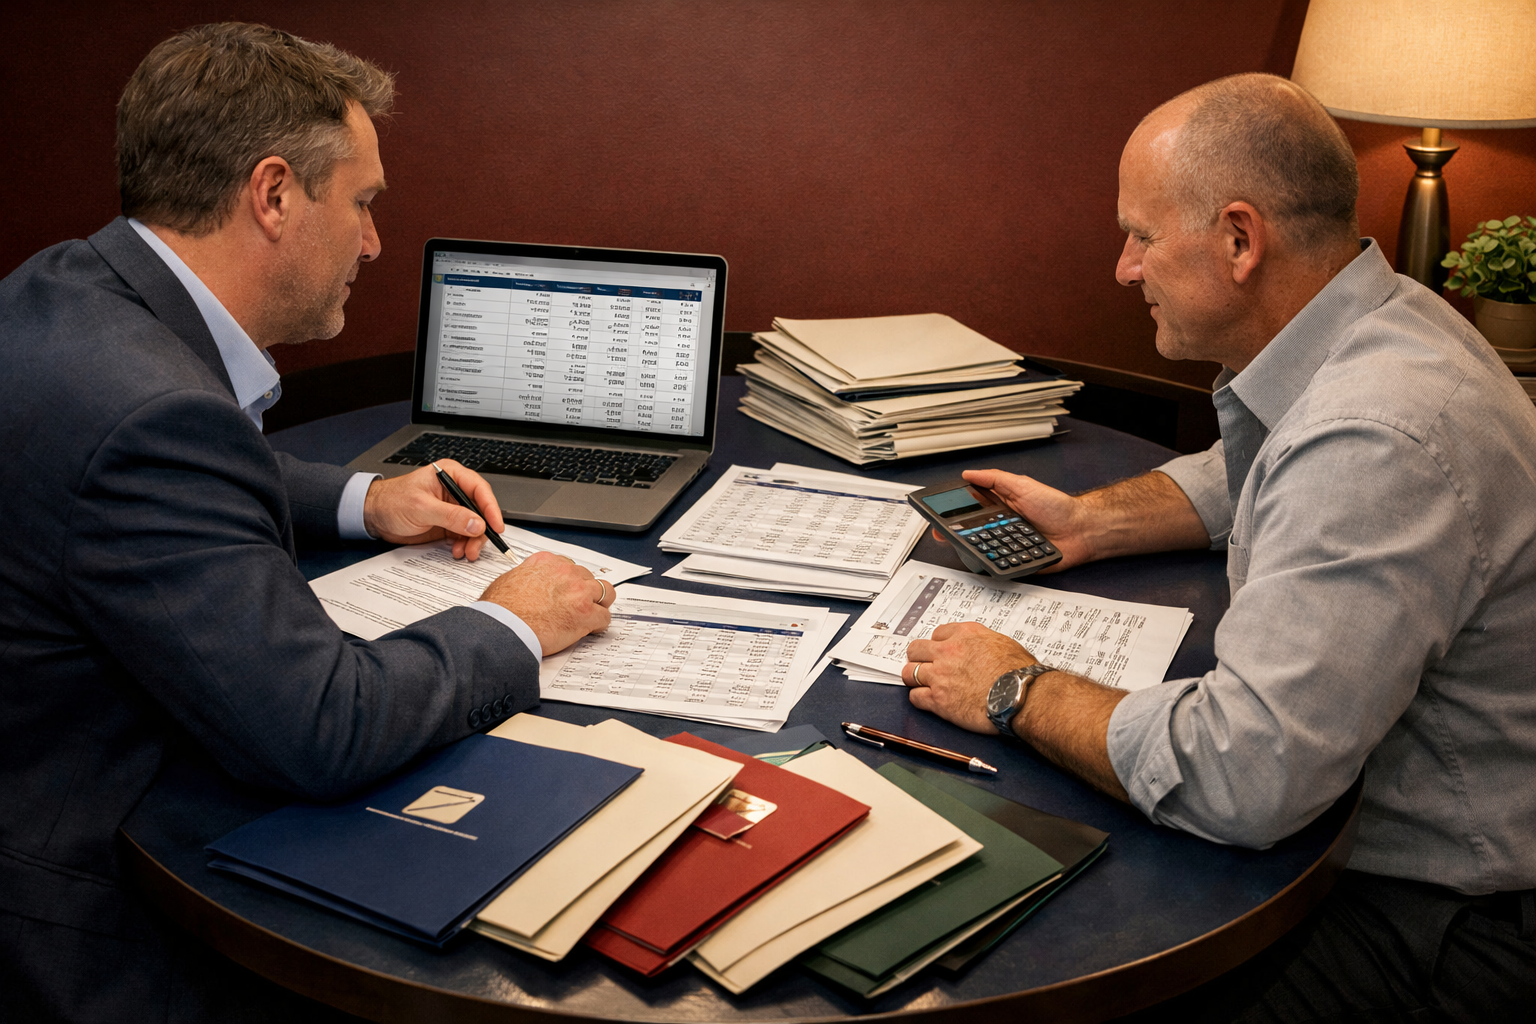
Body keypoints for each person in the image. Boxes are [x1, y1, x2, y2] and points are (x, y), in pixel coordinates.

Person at [0, 23, 612, 1022]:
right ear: (275, 194)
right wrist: (512, 621)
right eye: (363, 201)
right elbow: (320, 726)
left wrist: (363, 500)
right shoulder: (156, 414)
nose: (374, 239)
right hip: (85, 917)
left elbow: (147, 472)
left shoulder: (71, 292)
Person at [904, 73, 1536, 1019]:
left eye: (1143, 236)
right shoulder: (1386, 317)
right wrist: (1092, 521)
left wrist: (1014, 688)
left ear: (1241, 239)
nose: (1124, 267)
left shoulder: (1376, 436)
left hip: (1441, 918)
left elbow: (1246, 775)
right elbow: (1259, 462)